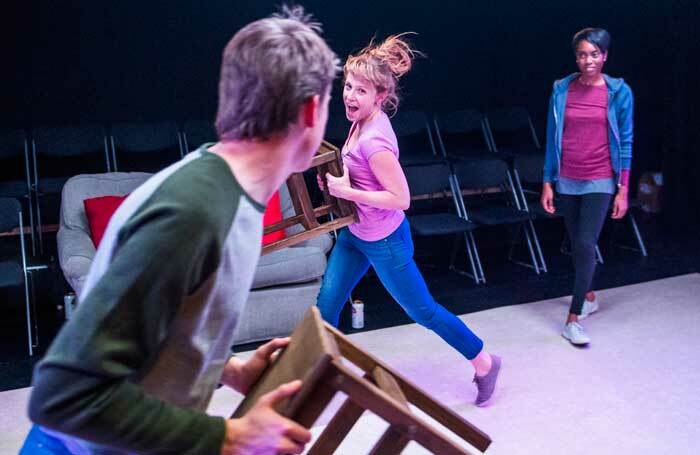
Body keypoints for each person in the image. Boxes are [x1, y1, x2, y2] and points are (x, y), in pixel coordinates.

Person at [21, 6, 339, 454]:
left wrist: (228, 369)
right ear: (310, 111)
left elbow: (161, 318)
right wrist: (229, 437)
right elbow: (64, 397)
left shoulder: (234, 194)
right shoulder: (194, 211)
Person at [316, 34, 501, 406]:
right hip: (356, 233)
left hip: (385, 241)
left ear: (380, 97)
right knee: (327, 304)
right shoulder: (361, 121)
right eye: (349, 87)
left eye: (361, 91)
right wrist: (337, 182)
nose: (350, 96)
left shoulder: (375, 142)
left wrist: (348, 192)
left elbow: (401, 199)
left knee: (423, 311)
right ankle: (323, 377)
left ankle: (484, 362)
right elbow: (361, 175)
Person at [541, 27, 633, 346]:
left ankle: (574, 317)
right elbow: (553, 137)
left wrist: (623, 188)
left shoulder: (619, 93)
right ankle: (590, 294)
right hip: (567, 178)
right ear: (576, 57)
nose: (588, 60)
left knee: (584, 242)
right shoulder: (562, 90)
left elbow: (626, 143)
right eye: (582, 54)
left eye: (594, 54)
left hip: (600, 179)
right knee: (575, 242)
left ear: (604, 56)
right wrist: (547, 182)